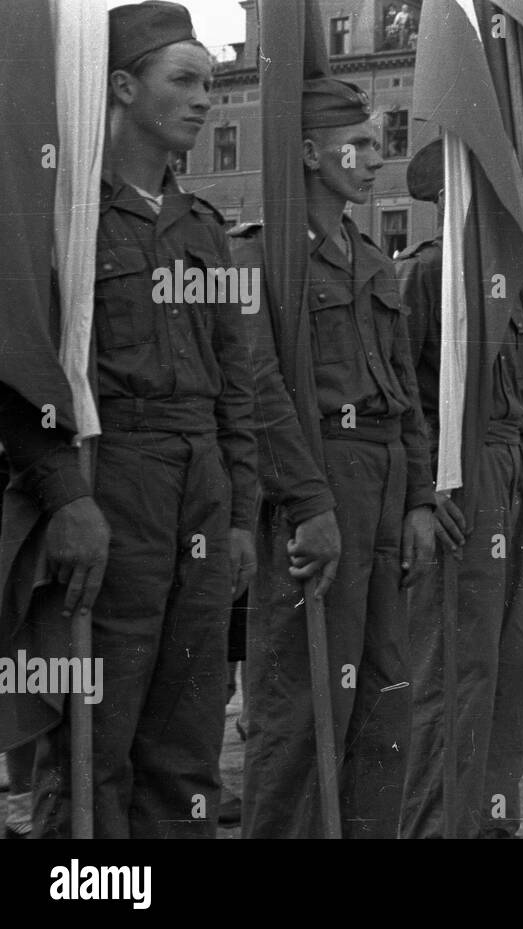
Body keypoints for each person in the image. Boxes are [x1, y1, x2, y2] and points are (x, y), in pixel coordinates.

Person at [28, 1, 258, 838]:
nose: (206, 99)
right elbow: (30, 369)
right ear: (122, 86)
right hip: (112, 475)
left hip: (198, 483)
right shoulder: (68, 221)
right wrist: (64, 494)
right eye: (185, 81)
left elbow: (238, 382)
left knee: (189, 733)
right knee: (97, 734)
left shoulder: (205, 230)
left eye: (212, 82)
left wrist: (237, 510)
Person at [233, 76, 436, 838]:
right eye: (355, 142)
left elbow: (406, 391)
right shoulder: (258, 256)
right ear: (310, 152)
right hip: (321, 477)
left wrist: (418, 497)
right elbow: (259, 390)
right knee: (302, 698)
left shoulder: (374, 262)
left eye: (375, 141)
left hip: (383, 478)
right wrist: (307, 501)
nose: (372, 157)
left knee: (388, 689)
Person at [396, 143, 523, 838]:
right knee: (457, 666)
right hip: (461, 471)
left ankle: (492, 810)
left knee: (514, 661)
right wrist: (428, 488)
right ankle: (441, 823)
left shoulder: (509, 284)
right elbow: (408, 392)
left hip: (511, 474)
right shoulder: (433, 274)